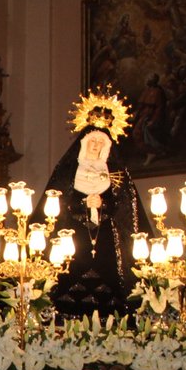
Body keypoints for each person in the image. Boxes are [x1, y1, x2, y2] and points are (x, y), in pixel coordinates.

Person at [34, 93, 150, 318]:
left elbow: (126, 208)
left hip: (106, 237)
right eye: (93, 141)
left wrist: (104, 204)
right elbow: (55, 203)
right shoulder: (68, 171)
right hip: (73, 236)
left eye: (100, 143)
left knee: (109, 277)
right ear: (84, 142)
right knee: (70, 275)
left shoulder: (116, 172)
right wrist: (81, 203)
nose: (96, 146)